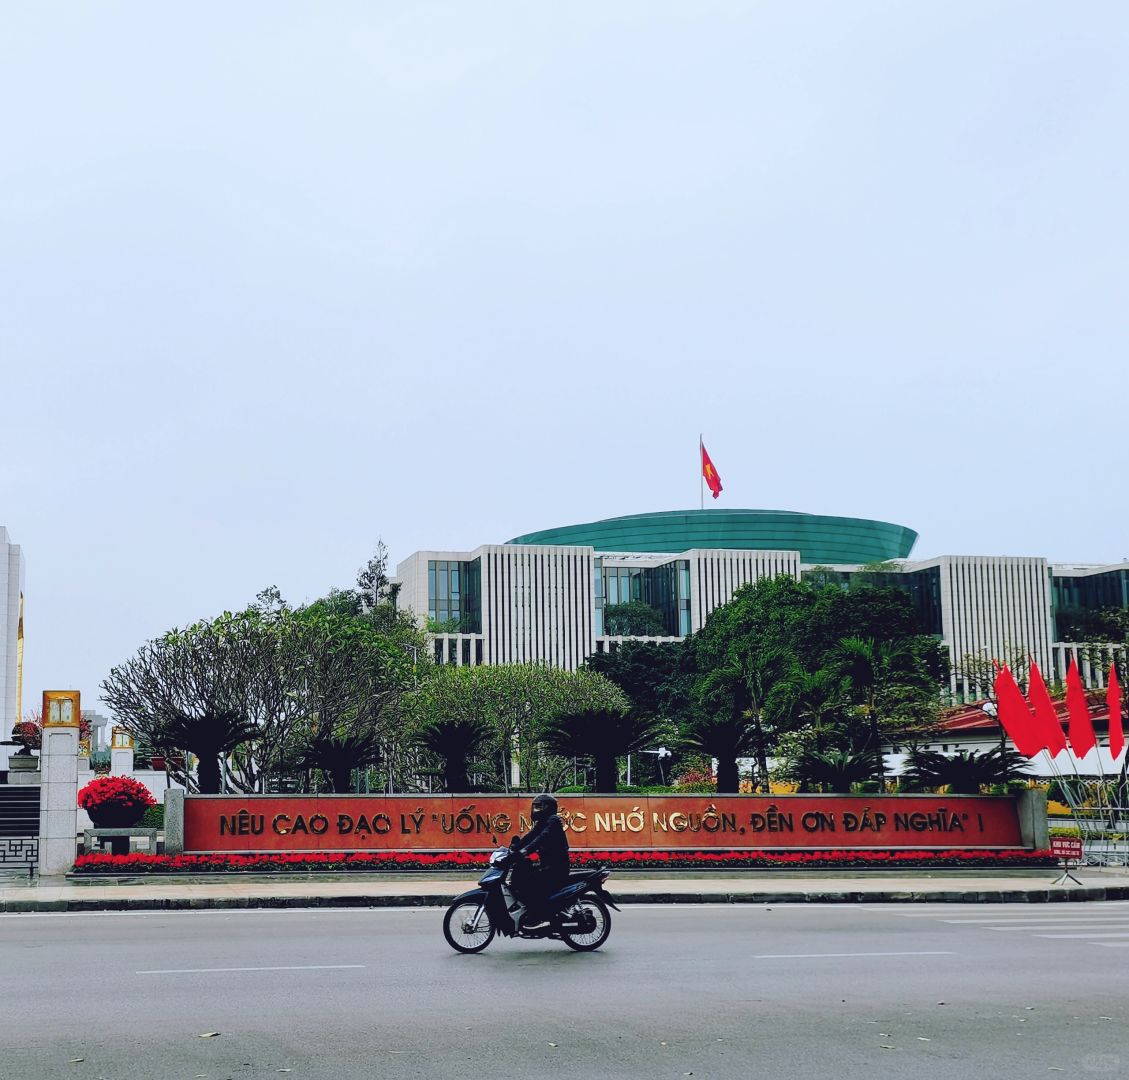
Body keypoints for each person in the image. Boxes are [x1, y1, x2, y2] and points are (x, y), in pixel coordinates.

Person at [509, 793, 570, 929]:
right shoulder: (543, 822)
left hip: (556, 868)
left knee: (531, 882)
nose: (536, 810)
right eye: (535, 807)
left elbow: (541, 838)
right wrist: (515, 848)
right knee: (521, 875)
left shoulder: (553, 821)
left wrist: (525, 851)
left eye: (539, 807)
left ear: (549, 808)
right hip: (547, 865)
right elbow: (529, 837)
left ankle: (539, 915)